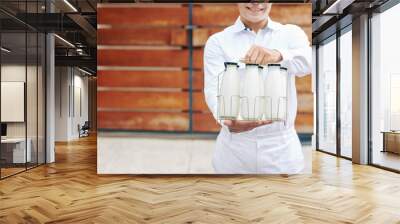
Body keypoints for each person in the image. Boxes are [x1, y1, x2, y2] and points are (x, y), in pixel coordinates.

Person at [203, 3, 311, 174]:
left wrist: (278, 55)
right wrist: (226, 119)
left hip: (281, 150)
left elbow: (308, 63)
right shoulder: (218, 42)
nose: (256, 3)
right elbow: (213, 88)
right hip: (234, 151)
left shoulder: (290, 33)